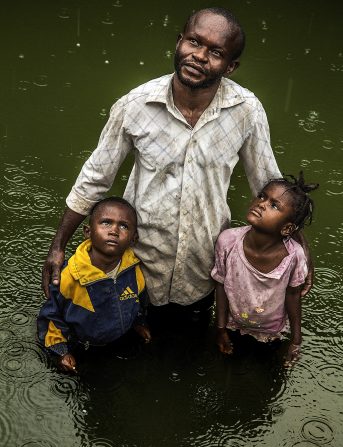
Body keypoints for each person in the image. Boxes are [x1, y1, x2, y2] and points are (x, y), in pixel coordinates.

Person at [41, 7, 313, 327]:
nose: (199, 56)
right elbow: (95, 177)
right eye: (193, 42)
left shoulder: (247, 111)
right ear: (178, 42)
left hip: (203, 267)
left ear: (230, 66)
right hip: (137, 264)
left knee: (191, 342)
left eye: (215, 52)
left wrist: (299, 246)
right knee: (129, 339)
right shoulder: (136, 105)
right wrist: (58, 246)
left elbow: (268, 183)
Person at [211, 172, 318, 366]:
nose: (261, 203)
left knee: (265, 367)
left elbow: (293, 296)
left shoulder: (294, 256)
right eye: (262, 196)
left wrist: (295, 340)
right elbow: (220, 285)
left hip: (271, 331)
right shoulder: (228, 242)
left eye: (274, 205)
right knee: (230, 364)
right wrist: (220, 328)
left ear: (287, 229)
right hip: (234, 323)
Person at [37, 196, 151, 373]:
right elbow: (51, 317)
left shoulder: (134, 271)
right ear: (88, 232)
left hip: (119, 340)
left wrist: (139, 323)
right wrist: (61, 352)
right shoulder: (68, 277)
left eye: (123, 226)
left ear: (133, 239)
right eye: (106, 222)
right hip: (82, 348)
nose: (114, 230)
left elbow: (139, 303)